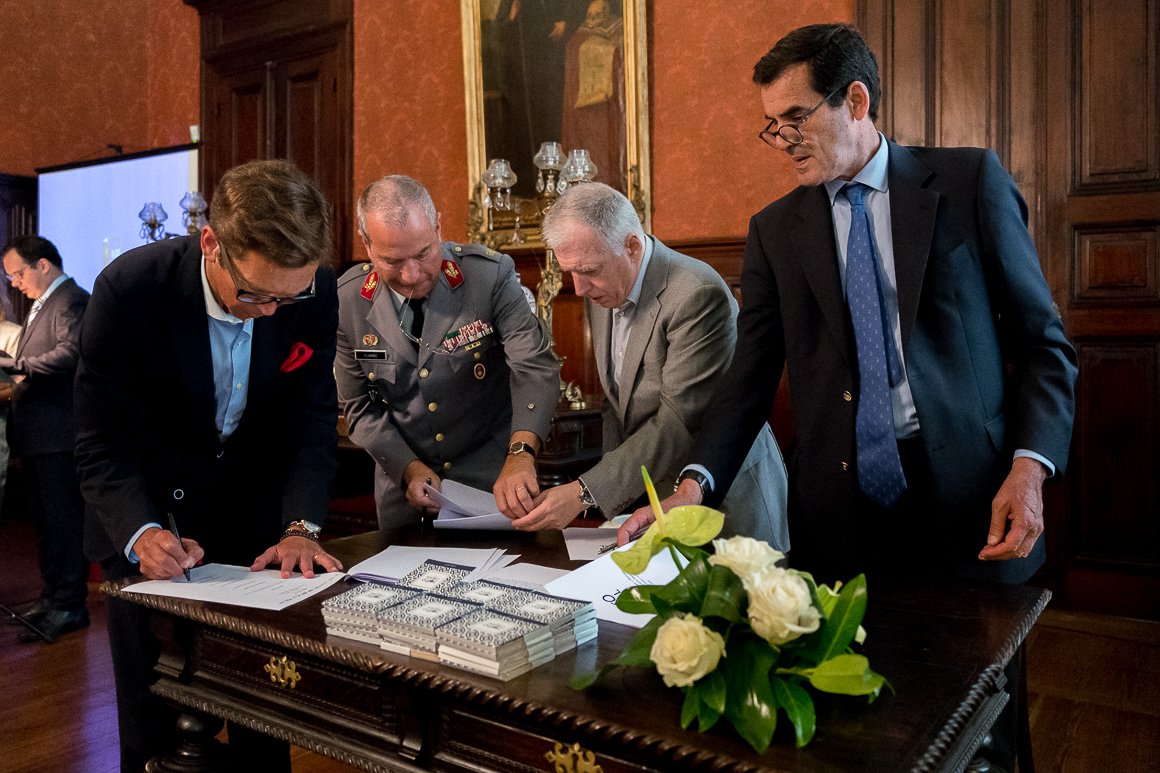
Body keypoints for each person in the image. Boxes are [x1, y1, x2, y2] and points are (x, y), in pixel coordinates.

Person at [618, 24, 1078, 770]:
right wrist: (694, 484)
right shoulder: (776, 231)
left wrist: (1030, 468)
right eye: (771, 126)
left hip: (974, 499)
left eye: (795, 119)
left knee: (986, 726)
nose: (782, 142)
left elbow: (1043, 344)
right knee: (864, 726)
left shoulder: (968, 183)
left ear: (855, 100)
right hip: (842, 514)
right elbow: (747, 380)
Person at [76, 159, 342, 772]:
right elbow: (99, 441)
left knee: (263, 721)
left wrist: (300, 525)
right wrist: (141, 532)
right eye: (253, 294)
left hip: (253, 530)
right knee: (154, 727)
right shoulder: (130, 290)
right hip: (146, 520)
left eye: (289, 296)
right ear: (210, 244)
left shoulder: (316, 290)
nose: (271, 312)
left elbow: (310, 421)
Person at [513, 182, 788, 547]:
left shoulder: (696, 293)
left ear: (631, 246)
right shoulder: (601, 288)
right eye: (570, 272)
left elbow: (677, 422)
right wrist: (614, 503)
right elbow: (616, 405)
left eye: (588, 270)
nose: (578, 289)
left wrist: (585, 492)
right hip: (651, 505)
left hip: (723, 506)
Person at [335, 175, 559, 528]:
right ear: (367, 243)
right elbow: (360, 407)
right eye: (393, 261)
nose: (411, 275)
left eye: (423, 253)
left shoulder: (488, 276)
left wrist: (521, 453)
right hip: (402, 489)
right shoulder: (348, 300)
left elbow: (533, 368)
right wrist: (408, 468)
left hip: (493, 482)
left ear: (437, 226)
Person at [0, 235, 89, 642]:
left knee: (62, 523)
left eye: (18, 274)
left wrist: (17, 365)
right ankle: (52, 599)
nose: (15, 284)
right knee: (45, 525)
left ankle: (69, 605)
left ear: (43, 265)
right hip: (38, 439)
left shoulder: (71, 300)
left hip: (57, 437)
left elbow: (72, 353)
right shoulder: (44, 303)